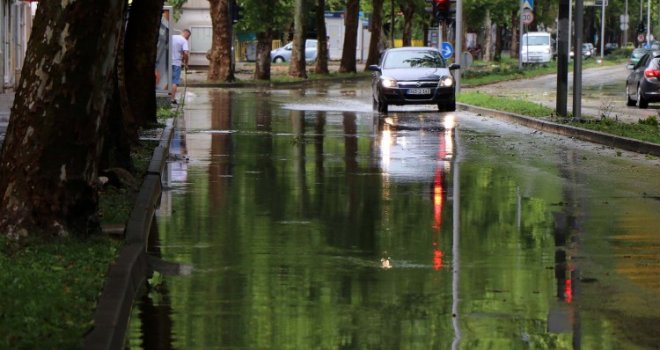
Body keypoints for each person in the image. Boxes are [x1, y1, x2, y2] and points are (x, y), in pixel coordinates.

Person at [171, 29, 191, 105]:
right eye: (188, 37)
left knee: (167, 81)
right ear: (186, 34)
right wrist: (186, 63)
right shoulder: (184, 41)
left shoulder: (172, 37)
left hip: (168, 61)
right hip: (176, 63)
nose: (188, 39)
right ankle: (172, 99)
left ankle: (165, 98)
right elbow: (186, 53)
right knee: (174, 82)